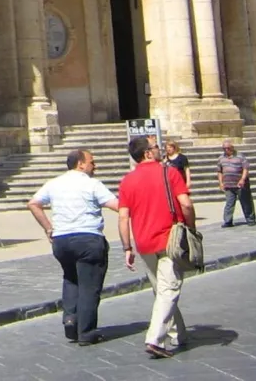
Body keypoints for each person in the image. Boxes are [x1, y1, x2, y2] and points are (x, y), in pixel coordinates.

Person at [27, 148, 120, 346]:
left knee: (71, 279)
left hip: (61, 240)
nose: (95, 166)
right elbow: (116, 205)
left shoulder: (54, 183)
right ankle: (86, 332)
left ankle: (70, 321)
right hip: (88, 238)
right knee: (89, 286)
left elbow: (33, 203)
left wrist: (48, 228)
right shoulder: (92, 184)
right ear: (81, 164)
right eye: (92, 162)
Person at [118, 136, 195, 359]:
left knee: (162, 288)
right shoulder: (169, 173)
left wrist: (127, 248)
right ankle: (155, 339)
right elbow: (186, 203)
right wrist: (191, 227)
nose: (159, 149)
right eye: (155, 147)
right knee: (169, 289)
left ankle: (179, 334)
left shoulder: (127, 181)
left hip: (143, 243)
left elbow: (123, 217)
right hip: (169, 239)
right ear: (148, 154)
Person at [216, 140, 256, 227]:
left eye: (228, 148)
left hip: (240, 184)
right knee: (229, 203)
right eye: (224, 148)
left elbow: (245, 168)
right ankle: (228, 221)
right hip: (228, 184)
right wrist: (221, 183)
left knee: (246, 202)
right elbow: (219, 171)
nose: (226, 150)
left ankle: (250, 219)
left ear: (232, 148)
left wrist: (242, 179)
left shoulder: (240, 156)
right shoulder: (221, 158)